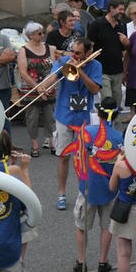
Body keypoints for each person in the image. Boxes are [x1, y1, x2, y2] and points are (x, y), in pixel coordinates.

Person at [39, 38, 102, 211]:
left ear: (88, 53)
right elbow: (53, 77)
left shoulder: (95, 65)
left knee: (83, 157)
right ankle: (61, 194)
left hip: (84, 117)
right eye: (72, 51)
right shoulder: (65, 61)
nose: (73, 55)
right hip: (64, 115)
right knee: (63, 155)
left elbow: (95, 89)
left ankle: (84, 192)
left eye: (78, 53)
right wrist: (43, 87)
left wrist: (80, 71)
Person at [74, 98, 120, 272]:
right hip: (110, 188)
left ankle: (81, 261)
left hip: (88, 186)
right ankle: (103, 261)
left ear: (98, 114)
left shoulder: (87, 132)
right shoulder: (119, 137)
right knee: (107, 227)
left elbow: (78, 156)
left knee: (82, 226)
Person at [17, 22, 56, 156]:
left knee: (50, 117)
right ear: (31, 35)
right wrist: (38, 88)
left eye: (42, 32)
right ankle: (34, 144)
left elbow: (54, 69)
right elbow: (23, 72)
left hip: (48, 87)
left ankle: (52, 141)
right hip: (31, 89)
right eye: (39, 33)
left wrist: (47, 86)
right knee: (32, 118)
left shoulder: (49, 48)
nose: (42, 35)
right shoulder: (23, 50)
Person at [87, 0, 129, 111]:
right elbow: (89, 47)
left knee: (117, 99)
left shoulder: (122, 25)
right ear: (111, 9)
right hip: (102, 69)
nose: (122, 12)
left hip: (117, 69)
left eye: (123, 10)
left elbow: (124, 49)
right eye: (120, 9)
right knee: (107, 100)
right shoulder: (96, 24)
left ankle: (113, 121)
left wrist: (126, 43)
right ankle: (106, 121)